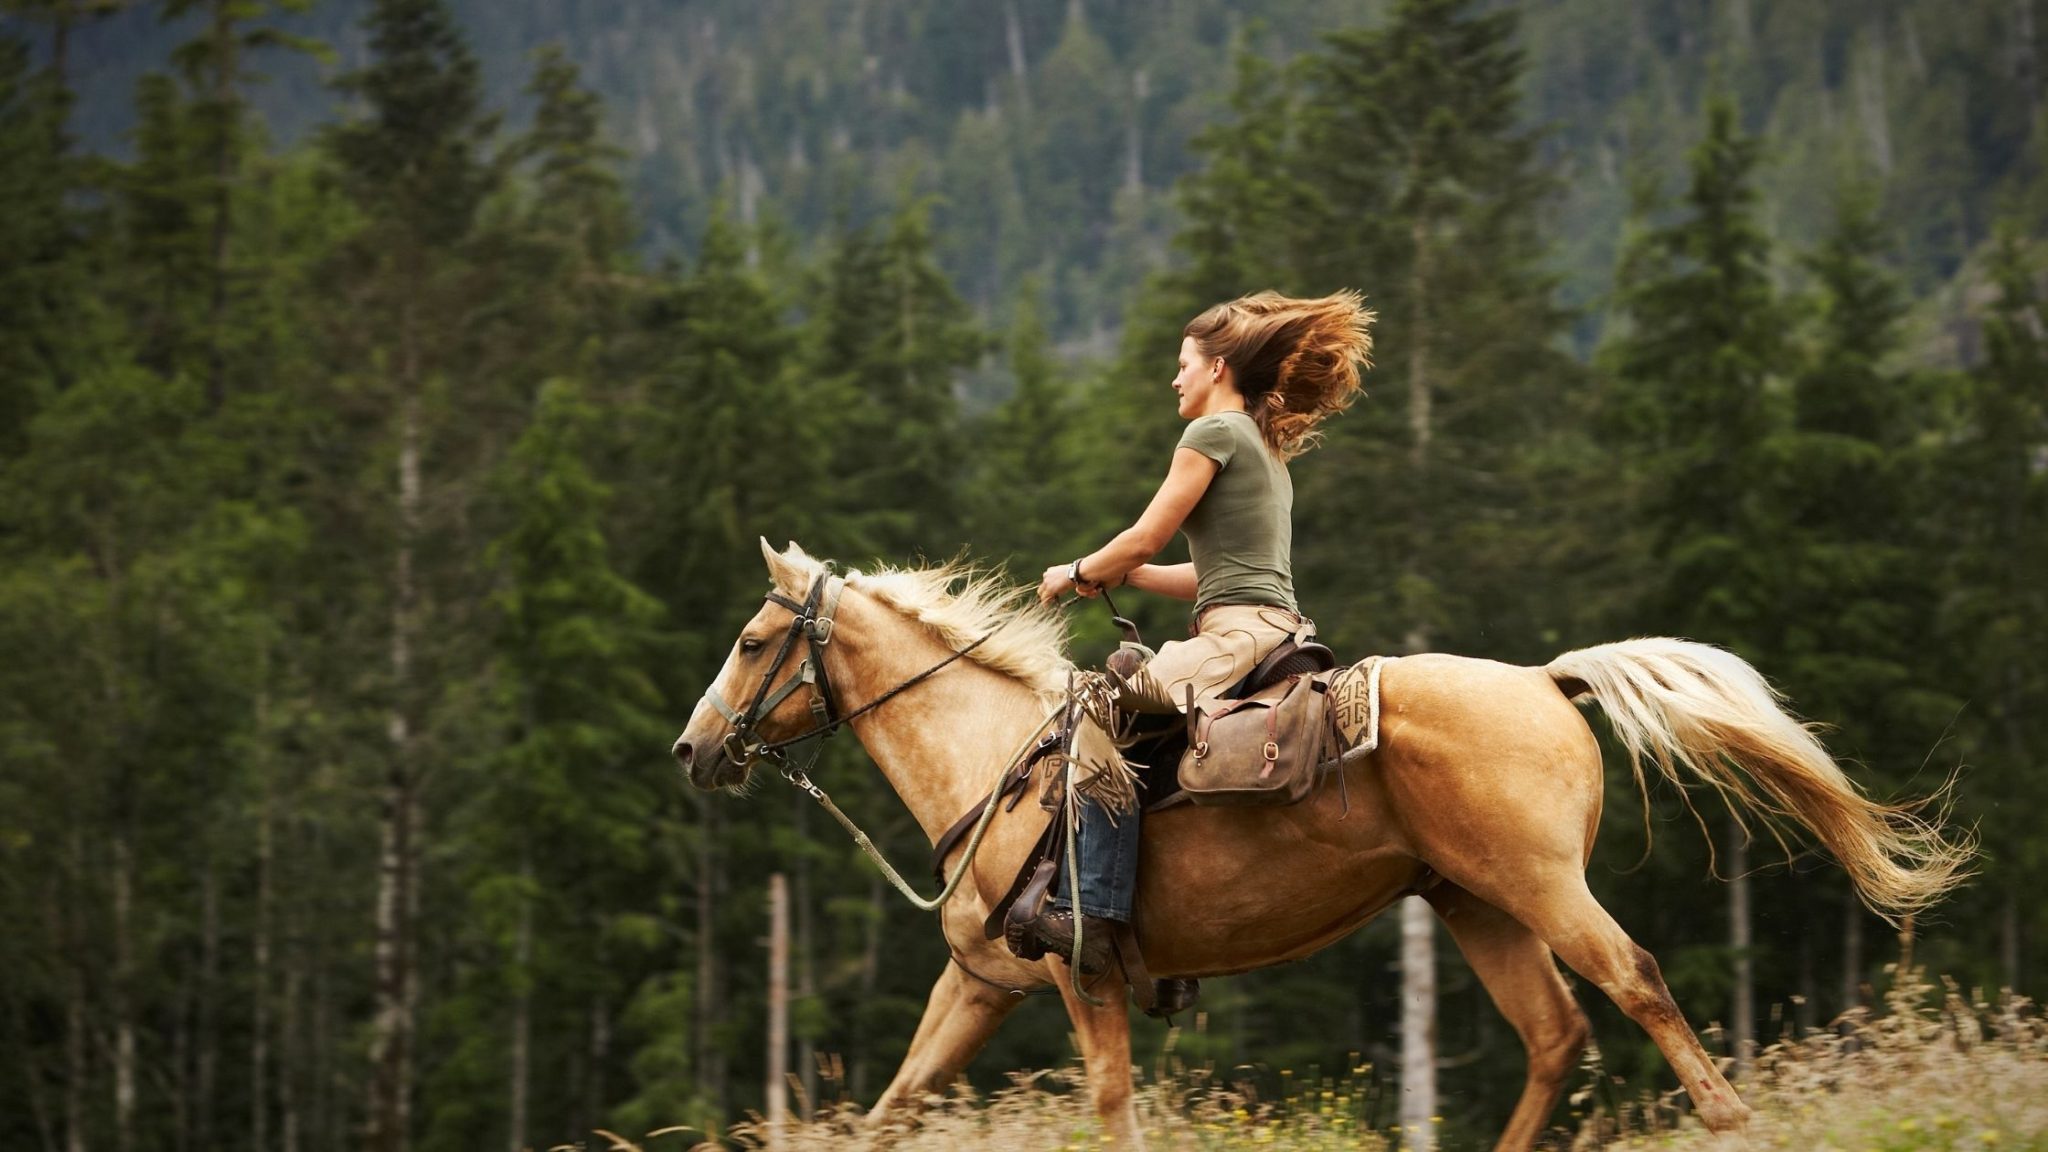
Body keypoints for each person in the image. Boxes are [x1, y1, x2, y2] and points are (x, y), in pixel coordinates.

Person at [1031, 289, 1374, 974]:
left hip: (1234, 639)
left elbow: (1145, 533)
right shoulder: (1265, 448)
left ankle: (1092, 908)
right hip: (1272, 628)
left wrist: (1073, 571)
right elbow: (1212, 572)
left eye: (1184, 363)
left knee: (1092, 707)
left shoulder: (1212, 434)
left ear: (1218, 368)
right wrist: (1129, 576)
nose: (1175, 378)